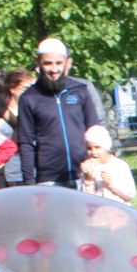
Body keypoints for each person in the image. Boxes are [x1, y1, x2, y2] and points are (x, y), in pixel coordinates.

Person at [16, 37, 104, 188]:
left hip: (83, 174)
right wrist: (29, 182)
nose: (54, 69)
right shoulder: (29, 98)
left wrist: (99, 165)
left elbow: (95, 131)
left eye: (58, 63)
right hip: (49, 178)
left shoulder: (80, 90)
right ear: (38, 63)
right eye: (47, 63)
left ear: (66, 62)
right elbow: (26, 143)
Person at [0, 68, 35, 188]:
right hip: (9, 170)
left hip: (33, 169)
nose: (31, 92)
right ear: (12, 88)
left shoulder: (35, 110)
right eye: (26, 88)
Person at [78, 125, 136, 203]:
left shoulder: (120, 165)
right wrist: (89, 180)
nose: (93, 152)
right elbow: (86, 201)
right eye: (89, 148)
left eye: (97, 147)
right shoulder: (88, 168)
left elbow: (130, 195)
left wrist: (111, 184)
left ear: (106, 147)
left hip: (118, 212)